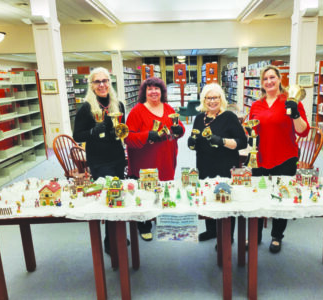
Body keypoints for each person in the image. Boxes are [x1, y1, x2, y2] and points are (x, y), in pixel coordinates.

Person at [248, 65, 310, 253]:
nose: (269, 82)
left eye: (272, 77)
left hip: (285, 156)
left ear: (280, 78)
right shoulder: (256, 105)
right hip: (260, 157)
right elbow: (252, 129)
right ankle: (254, 236)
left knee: (282, 196)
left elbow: (304, 131)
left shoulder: (291, 101)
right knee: (257, 197)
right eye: (265, 79)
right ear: (261, 83)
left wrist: (296, 114)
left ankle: (277, 236)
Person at [73, 67, 128, 254]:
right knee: (108, 197)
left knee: (118, 194)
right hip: (99, 159)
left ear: (109, 83)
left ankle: (119, 234)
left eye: (105, 81)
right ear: (92, 85)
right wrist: (94, 132)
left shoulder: (118, 104)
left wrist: (117, 131)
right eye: (98, 81)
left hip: (117, 157)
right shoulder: (87, 108)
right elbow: (77, 135)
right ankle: (109, 242)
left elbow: (123, 128)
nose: (102, 85)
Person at [188, 83, 247, 247]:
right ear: (203, 100)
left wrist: (222, 141)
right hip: (205, 164)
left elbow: (242, 142)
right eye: (209, 98)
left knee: (225, 198)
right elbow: (196, 140)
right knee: (207, 196)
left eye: (216, 97)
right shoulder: (200, 118)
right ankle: (212, 230)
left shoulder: (229, 117)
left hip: (225, 165)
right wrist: (192, 143)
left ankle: (228, 236)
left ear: (221, 99)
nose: (212, 101)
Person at [125, 77, 185, 241]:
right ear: (144, 92)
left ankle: (160, 216)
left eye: (156, 88)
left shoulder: (167, 107)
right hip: (145, 160)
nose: (153, 91)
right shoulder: (137, 111)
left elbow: (177, 127)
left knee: (163, 188)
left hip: (166, 158)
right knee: (145, 192)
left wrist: (180, 129)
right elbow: (128, 138)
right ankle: (144, 224)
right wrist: (146, 135)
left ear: (162, 92)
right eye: (149, 88)